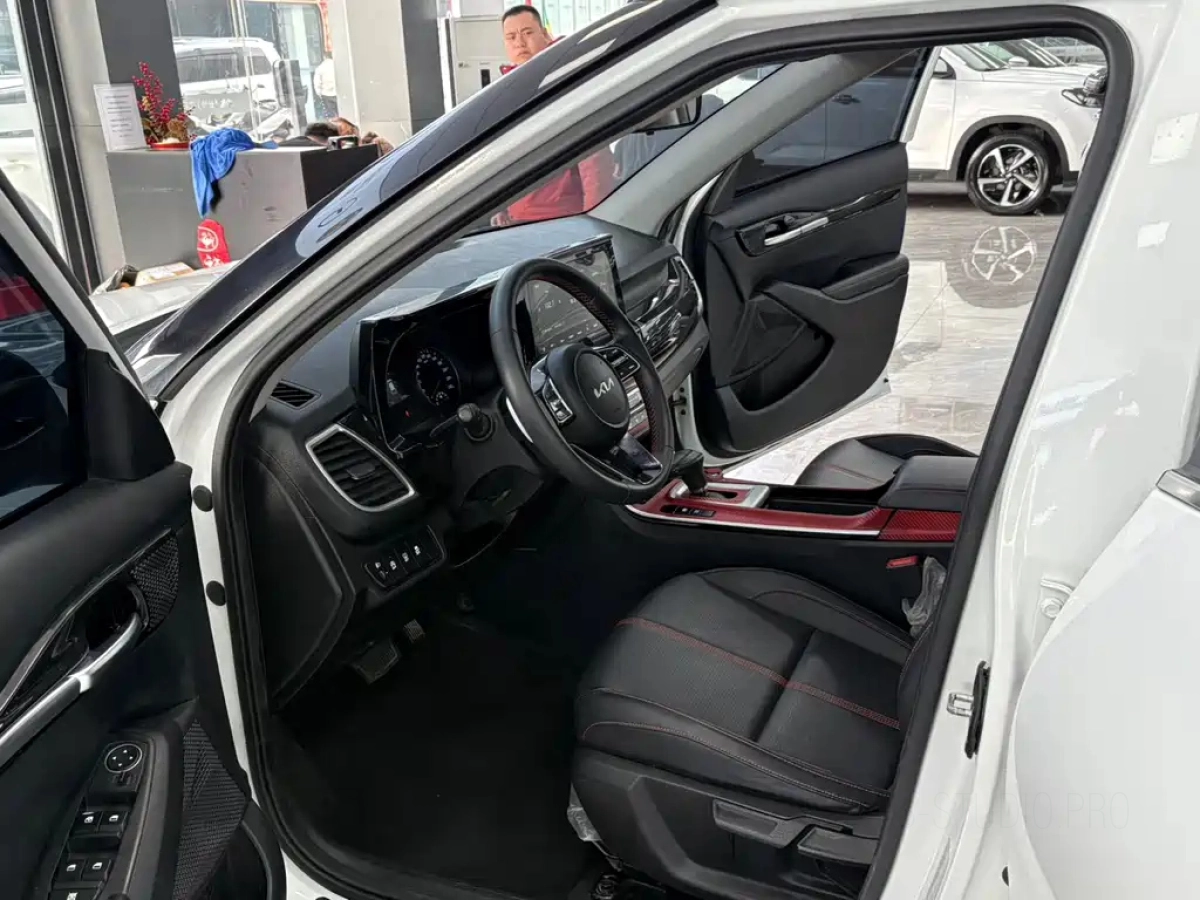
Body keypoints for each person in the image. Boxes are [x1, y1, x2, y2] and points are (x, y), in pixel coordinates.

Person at [493, 5, 615, 225]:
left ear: (545, 34)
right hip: (519, 219)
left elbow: (593, 158)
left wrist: (596, 219)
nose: (519, 43)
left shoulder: (564, 84)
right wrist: (501, 207)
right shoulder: (508, 93)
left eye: (527, 33)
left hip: (561, 219)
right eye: (511, 37)